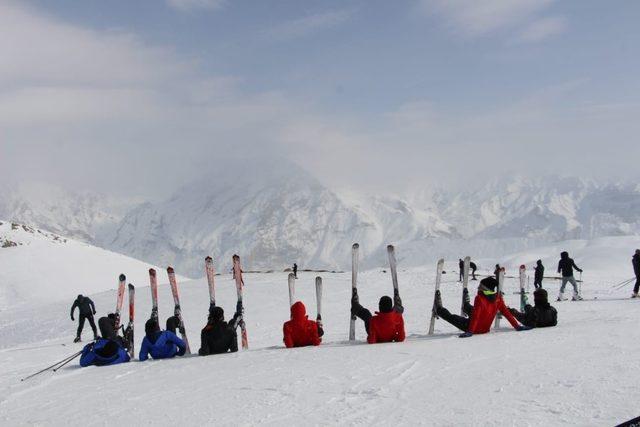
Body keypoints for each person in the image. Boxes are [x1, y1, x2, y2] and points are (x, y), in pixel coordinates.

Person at [433, 277, 528, 338]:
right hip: (485, 328)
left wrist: (470, 331)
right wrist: (517, 326)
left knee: (451, 317)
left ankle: (438, 309)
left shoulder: (479, 298)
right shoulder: (498, 298)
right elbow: (506, 313)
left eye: (480, 286)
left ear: (485, 289)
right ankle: (466, 305)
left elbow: (476, 316)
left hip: (472, 328)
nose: (478, 288)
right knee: (472, 309)